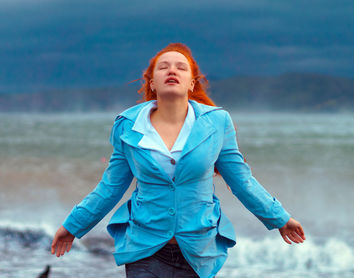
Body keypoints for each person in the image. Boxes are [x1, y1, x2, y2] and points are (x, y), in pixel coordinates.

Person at [51, 43, 305, 278]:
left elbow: (241, 181)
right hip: (145, 248)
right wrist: (74, 225)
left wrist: (279, 218)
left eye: (180, 67)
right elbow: (111, 187)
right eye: (163, 67)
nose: (172, 70)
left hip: (199, 250)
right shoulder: (128, 126)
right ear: (152, 83)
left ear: (191, 84)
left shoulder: (217, 122)